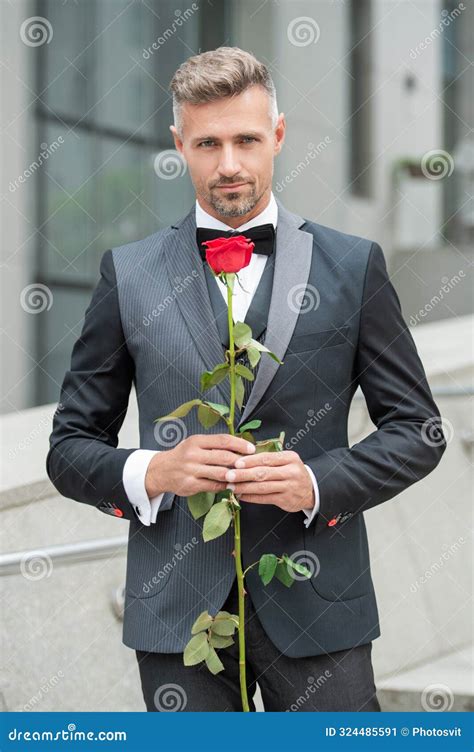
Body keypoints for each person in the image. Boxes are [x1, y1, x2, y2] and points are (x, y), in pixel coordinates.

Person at [46, 47, 446, 712]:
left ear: (279, 137)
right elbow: (68, 448)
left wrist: (317, 483)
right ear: (180, 145)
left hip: (321, 609)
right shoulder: (130, 273)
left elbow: (419, 430)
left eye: (246, 140)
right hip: (178, 620)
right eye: (208, 143)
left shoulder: (353, 266)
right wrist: (155, 471)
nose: (229, 165)